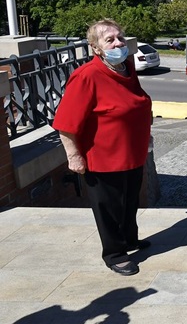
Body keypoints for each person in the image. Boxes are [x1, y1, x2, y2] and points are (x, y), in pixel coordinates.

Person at [53, 19, 152, 276]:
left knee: (130, 203)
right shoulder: (87, 76)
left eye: (120, 37)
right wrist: (74, 156)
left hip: (132, 154)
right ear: (96, 48)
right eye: (109, 40)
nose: (118, 43)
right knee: (109, 208)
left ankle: (130, 239)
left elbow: (134, 105)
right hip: (104, 159)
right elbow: (66, 123)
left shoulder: (127, 68)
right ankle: (114, 253)